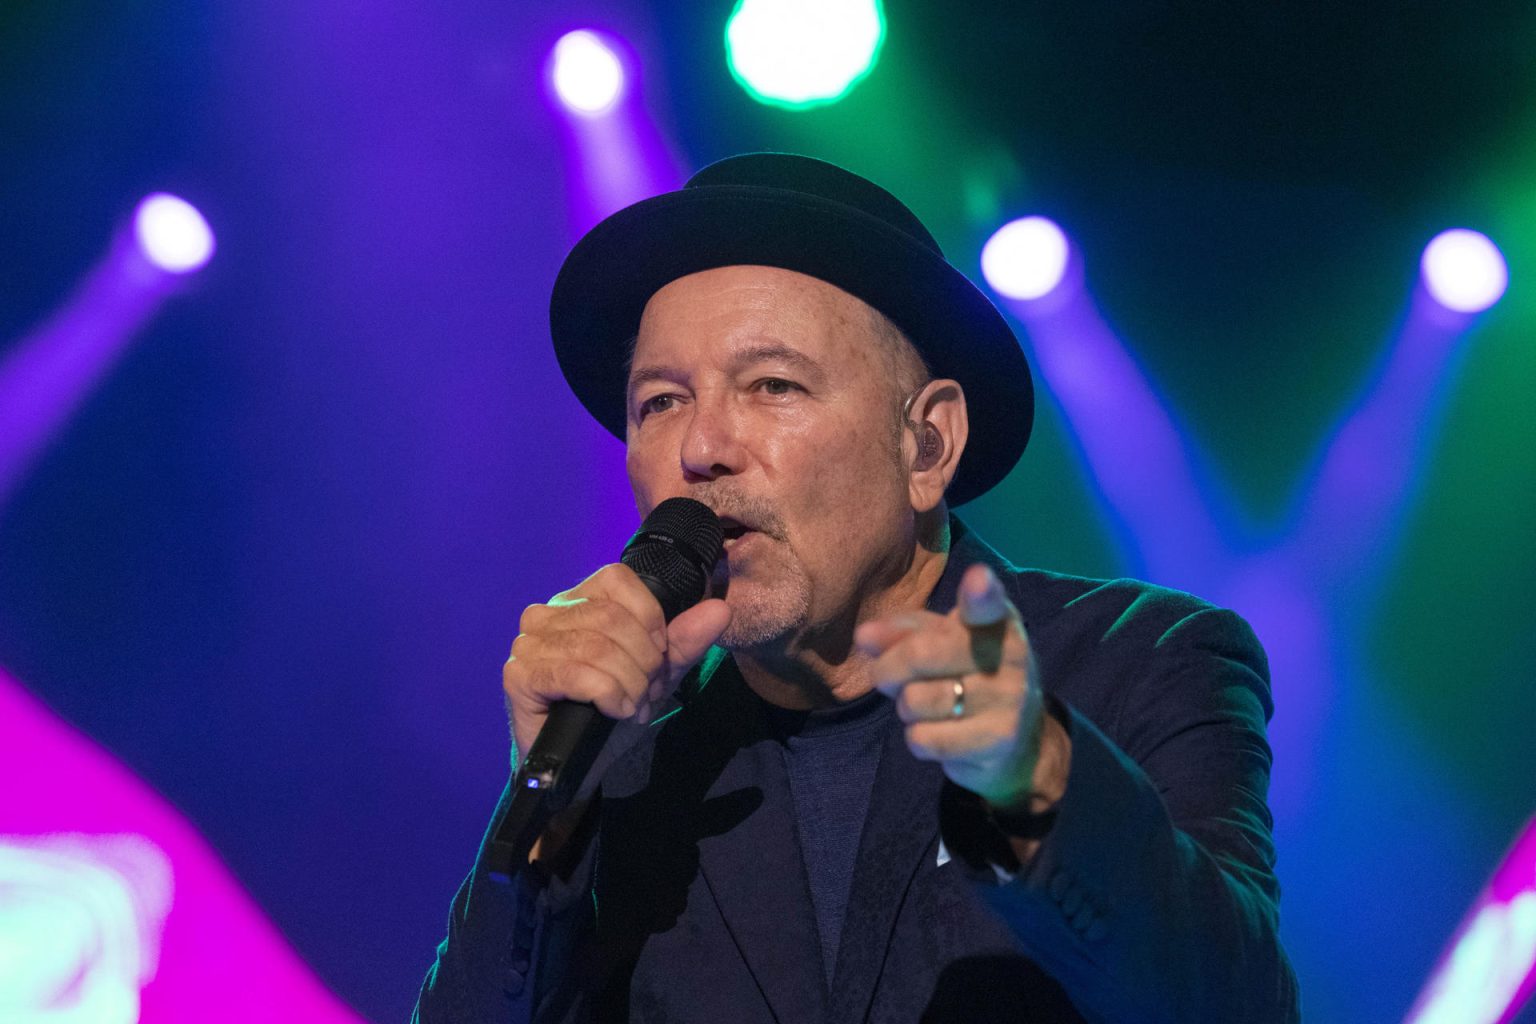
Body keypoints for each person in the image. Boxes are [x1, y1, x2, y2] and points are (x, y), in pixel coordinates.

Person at [414, 153, 1299, 1023]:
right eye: (661, 402)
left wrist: (1034, 787)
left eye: (772, 384)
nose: (701, 447)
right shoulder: (636, 761)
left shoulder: (1140, 663)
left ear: (927, 446)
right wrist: (548, 803)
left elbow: (1233, 1004)